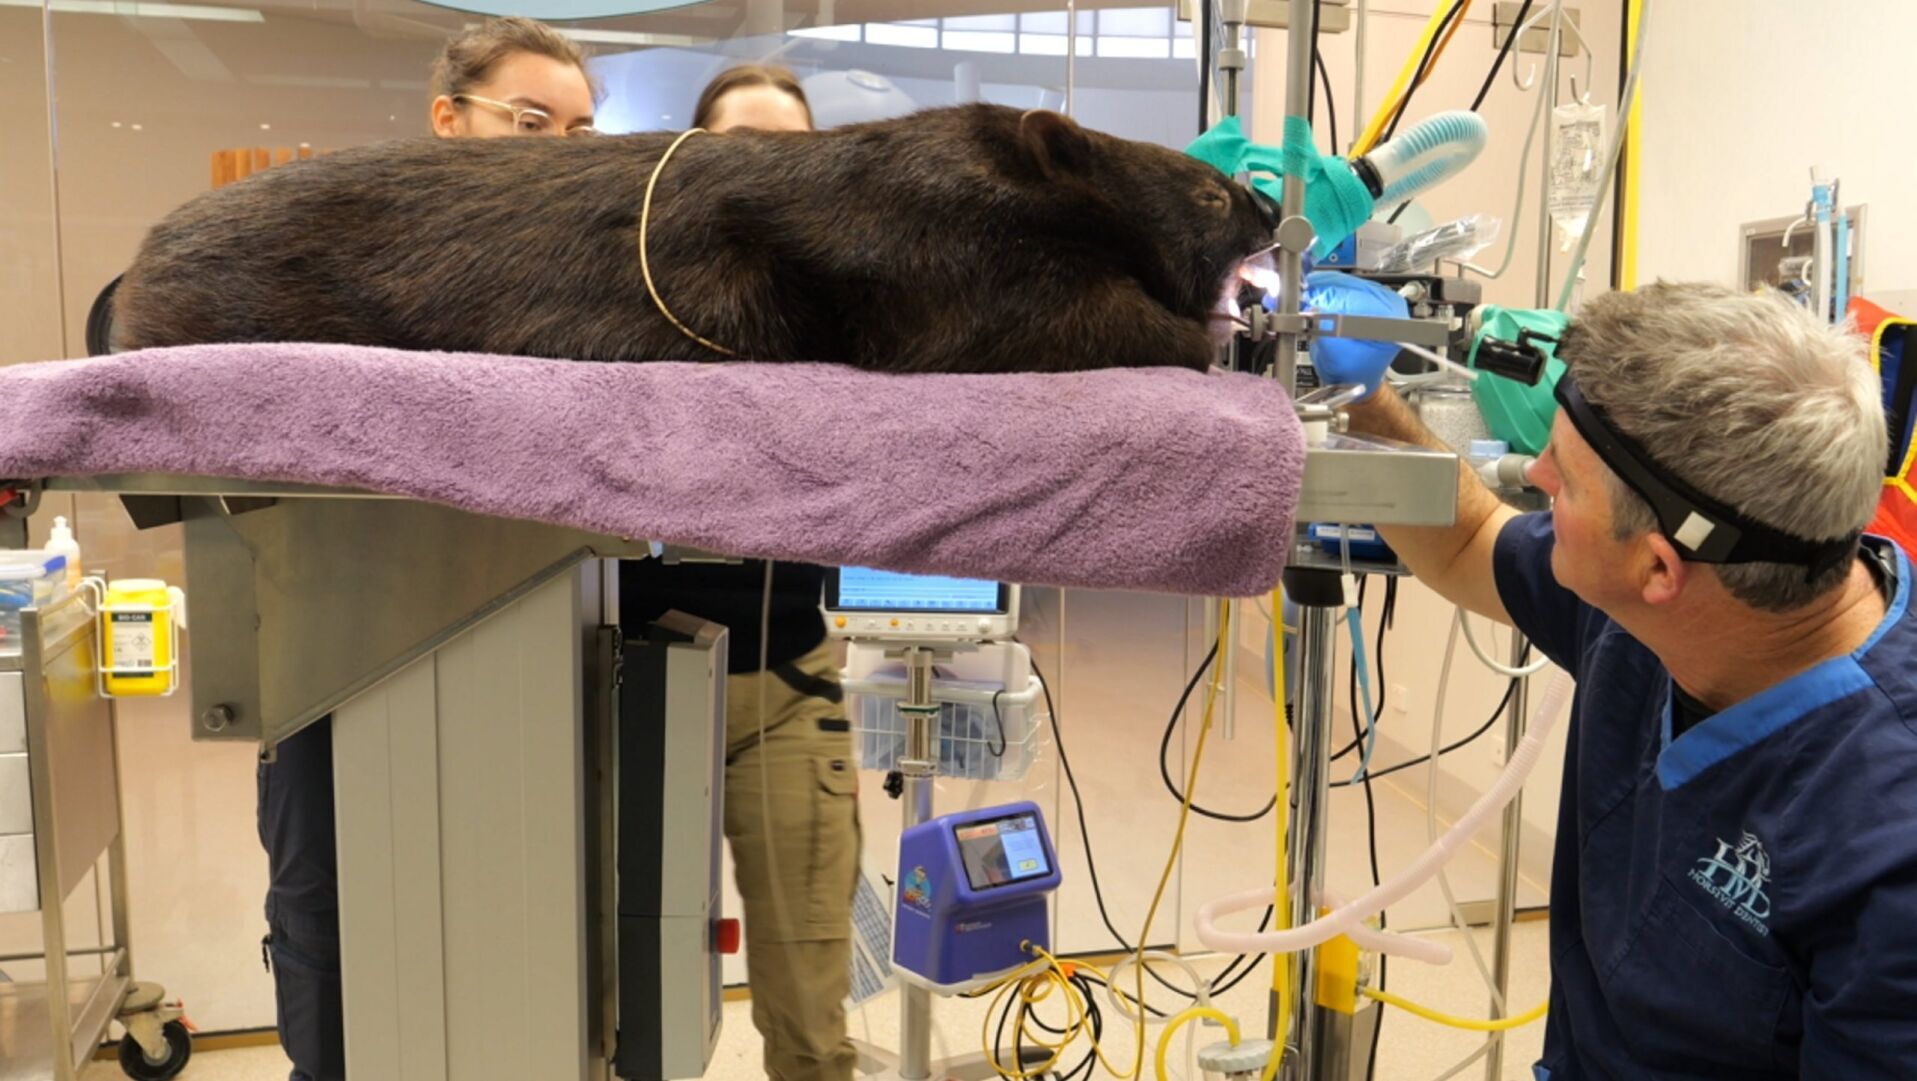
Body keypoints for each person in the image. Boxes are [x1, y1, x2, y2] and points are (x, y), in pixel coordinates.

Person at [1336, 281, 1917, 1077]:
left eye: (1566, 479)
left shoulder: (1887, 848)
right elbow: (1470, 535)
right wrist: (1362, 393)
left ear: (1657, 567)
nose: (1534, 473)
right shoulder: (1660, 606)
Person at [256, 18, 595, 1081]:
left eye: (583, 133)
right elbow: (138, 323)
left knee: (524, 900)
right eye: (531, 121)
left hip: (528, 639)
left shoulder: (588, 288)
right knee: (325, 900)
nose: (561, 152)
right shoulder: (337, 234)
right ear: (449, 120)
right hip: (330, 646)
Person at [619, 65, 862, 1081]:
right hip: (627, 692)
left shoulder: (847, 309)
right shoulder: (631, 292)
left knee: (810, 1012)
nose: (768, 172)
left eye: (791, 150)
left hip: (785, 693)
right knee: (614, 992)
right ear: (693, 158)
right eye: (740, 146)